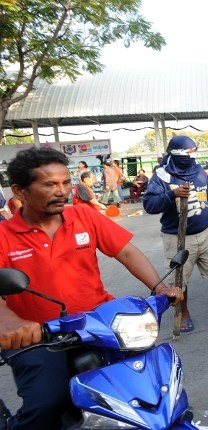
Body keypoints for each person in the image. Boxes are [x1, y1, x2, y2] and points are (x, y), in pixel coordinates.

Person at [0, 147, 183, 430]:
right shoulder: (4, 236)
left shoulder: (84, 216)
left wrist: (160, 287)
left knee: (146, 384)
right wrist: (10, 323)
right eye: (49, 184)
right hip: (39, 338)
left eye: (65, 182)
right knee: (47, 404)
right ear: (19, 191)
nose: (62, 191)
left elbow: (126, 252)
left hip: (99, 324)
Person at [143, 136, 208, 333]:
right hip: (177, 237)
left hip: (206, 231)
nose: (193, 156)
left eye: (194, 152)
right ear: (176, 154)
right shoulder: (162, 176)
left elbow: (206, 195)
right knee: (179, 280)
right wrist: (172, 195)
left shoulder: (198, 170)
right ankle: (183, 314)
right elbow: (149, 205)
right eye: (189, 153)